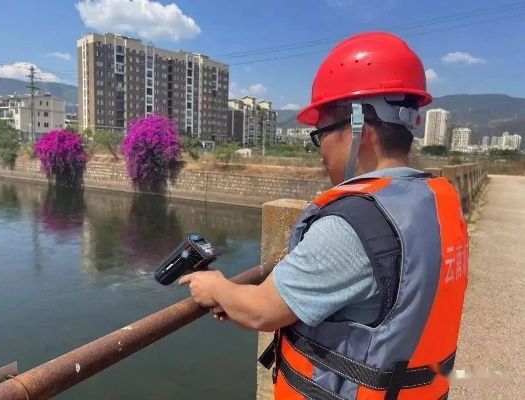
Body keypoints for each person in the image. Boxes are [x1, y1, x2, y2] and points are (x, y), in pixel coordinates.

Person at [179, 31, 469, 400]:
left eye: (321, 133)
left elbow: (260, 313)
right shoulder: (434, 201)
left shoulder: (353, 226)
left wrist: (216, 287)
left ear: (360, 125)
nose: (320, 150)